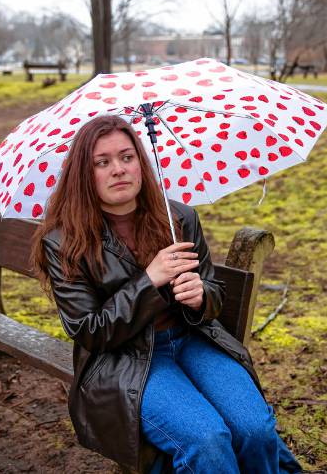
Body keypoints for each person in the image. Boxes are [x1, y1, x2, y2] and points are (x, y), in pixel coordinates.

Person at [31, 115, 302, 473]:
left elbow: (213, 293)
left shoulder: (178, 218)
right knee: (207, 439)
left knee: (255, 430)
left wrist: (200, 296)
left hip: (193, 340)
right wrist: (149, 280)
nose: (118, 170)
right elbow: (91, 331)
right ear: (84, 173)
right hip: (126, 361)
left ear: (141, 163)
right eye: (103, 162)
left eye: (127, 157)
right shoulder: (65, 243)